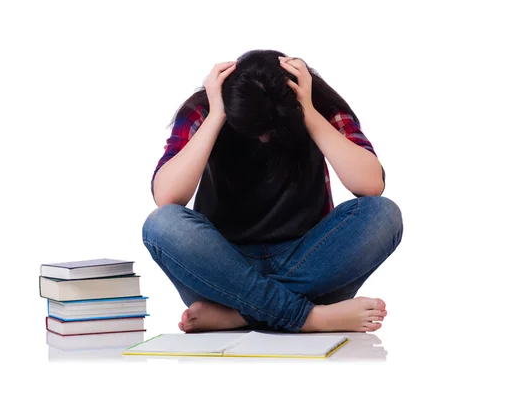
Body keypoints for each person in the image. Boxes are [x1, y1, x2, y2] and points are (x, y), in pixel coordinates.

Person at [142, 49, 403, 334]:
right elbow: (166, 197)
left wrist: (310, 113)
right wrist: (216, 115)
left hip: (307, 265)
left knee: (383, 214)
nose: (264, 138)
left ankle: (239, 315)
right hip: (225, 270)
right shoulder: (205, 110)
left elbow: (370, 184)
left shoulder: (318, 106)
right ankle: (313, 318)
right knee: (162, 224)